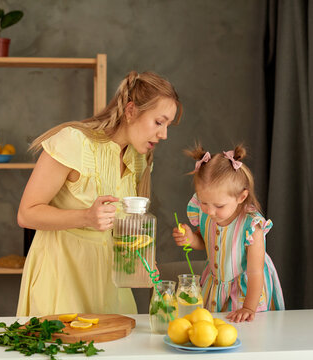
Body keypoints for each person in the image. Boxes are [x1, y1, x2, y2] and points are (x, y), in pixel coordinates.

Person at [17, 71, 182, 316]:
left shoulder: (138, 159)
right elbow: (26, 214)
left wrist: (141, 259)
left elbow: (123, 228)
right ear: (130, 111)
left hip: (109, 284)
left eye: (168, 125)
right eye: (159, 122)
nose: (164, 134)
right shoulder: (73, 141)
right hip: (61, 278)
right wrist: (85, 217)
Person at [172, 144, 285, 322]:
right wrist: (191, 239)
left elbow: (256, 272)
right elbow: (204, 241)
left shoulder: (251, 228)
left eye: (219, 206)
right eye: (204, 202)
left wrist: (248, 307)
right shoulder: (205, 214)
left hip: (246, 292)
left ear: (241, 197)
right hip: (215, 286)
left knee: (244, 331)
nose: (210, 211)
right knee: (216, 329)